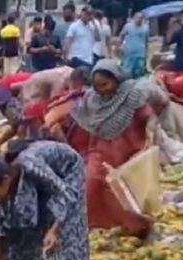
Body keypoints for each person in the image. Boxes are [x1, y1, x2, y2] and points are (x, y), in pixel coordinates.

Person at [66, 62, 157, 239]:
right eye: (97, 85)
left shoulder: (132, 94)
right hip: (100, 148)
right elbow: (87, 121)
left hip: (128, 148)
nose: (101, 90)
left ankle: (136, 227)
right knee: (93, 182)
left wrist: (149, 136)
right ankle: (96, 223)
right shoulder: (92, 100)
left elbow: (148, 117)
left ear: (117, 79)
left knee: (123, 190)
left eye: (105, 84)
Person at [118, 12, 150, 79]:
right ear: (134, 18)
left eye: (141, 18)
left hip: (140, 52)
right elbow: (121, 35)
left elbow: (146, 40)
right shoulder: (128, 26)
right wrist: (121, 45)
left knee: (140, 70)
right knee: (128, 70)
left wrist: (146, 52)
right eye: (138, 18)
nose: (139, 19)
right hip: (129, 51)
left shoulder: (146, 28)